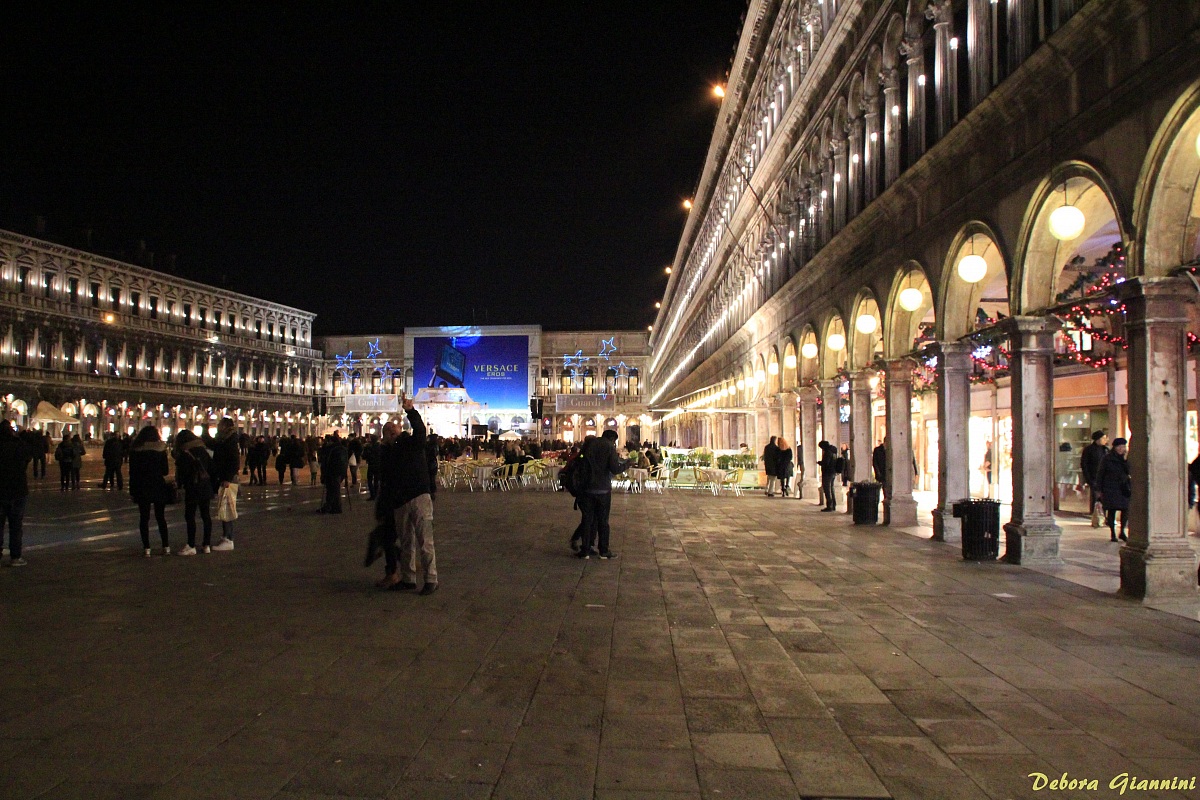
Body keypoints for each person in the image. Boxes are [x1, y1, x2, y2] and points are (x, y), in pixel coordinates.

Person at [376, 396, 439, 594]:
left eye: (393, 429)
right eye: (387, 431)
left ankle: (431, 579)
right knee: (406, 543)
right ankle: (408, 578)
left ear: (400, 429)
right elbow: (383, 474)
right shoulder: (387, 452)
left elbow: (421, 431)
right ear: (384, 436)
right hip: (400, 501)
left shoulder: (412, 442)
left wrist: (411, 411)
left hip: (419, 496)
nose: (391, 432)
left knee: (425, 541)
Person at [576, 429, 631, 560]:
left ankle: (586, 549)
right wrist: (627, 464)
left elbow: (580, 461)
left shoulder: (590, 444)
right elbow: (614, 468)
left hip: (587, 488)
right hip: (602, 489)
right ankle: (603, 550)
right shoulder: (609, 447)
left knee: (588, 519)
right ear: (613, 439)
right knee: (603, 521)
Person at [128, 426, 171, 556]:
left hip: (142, 486)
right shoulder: (160, 449)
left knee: (144, 518)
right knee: (160, 517)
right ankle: (166, 546)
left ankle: (147, 548)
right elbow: (165, 471)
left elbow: (132, 472)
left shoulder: (136, 450)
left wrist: (132, 490)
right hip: (158, 485)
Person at [173, 430, 214, 555]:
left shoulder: (185, 453)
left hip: (192, 487)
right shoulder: (204, 451)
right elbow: (212, 469)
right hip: (205, 486)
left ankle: (191, 544)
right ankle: (206, 544)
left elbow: (182, 473)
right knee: (205, 515)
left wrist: (180, 485)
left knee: (190, 516)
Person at [0, 421, 33, 566]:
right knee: (15, 526)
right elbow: (27, 457)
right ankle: (15, 556)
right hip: (18, 489)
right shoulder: (19, 444)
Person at [207, 417, 241, 551]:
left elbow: (234, 461)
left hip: (228, 479)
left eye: (220, 424)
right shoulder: (225, 439)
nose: (218, 426)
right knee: (224, 507)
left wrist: (227, 477)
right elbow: (213, 445)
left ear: (225, 426)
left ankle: (228, 539)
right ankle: (226, 536)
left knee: (227, 508)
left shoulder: (230, 440)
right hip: (224, 477)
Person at [1094, 437, 1130, 542]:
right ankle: (1113, 533)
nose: (1121, 449)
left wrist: (1126, 460)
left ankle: (1122, 531)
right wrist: (1099, 490)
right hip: (1110, 488)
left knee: (1125, 509)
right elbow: (1100, 474)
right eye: (1119, 446)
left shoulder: (1125, 459)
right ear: (1114, 447)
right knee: (1112, 510)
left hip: (1123, 488)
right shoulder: (1107, 458)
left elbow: (1129, 471)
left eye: (1123, 446)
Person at [1080, 430, 1108, 529]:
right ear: (1098, 439)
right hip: (1094, 478)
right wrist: (1088, 479)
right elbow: (1085, 465)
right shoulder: (1089, 450)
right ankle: (1097, 517)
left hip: (1105, 479)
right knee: (1097, 498)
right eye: (1104, 438)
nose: (1105, 440)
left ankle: (1105, 517)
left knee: (1106, 499)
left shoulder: (1105, 449)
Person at [319, 433, 348, 513]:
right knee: (335, 489)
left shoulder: (330, 449)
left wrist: (323, 473)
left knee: (331, 490)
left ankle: (333, 507)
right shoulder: (343, 449)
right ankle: (332, 506)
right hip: (340, 472)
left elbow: (326, 462)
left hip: (331, 471)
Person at [818, 440, 839, 511]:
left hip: (827, 473)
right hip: (833, 472)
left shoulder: (828, 452)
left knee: (827, 489)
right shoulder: (833, 451)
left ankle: (829, 505)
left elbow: (826, 463)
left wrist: (820, 463)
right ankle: (833, 505)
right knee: (831, 489)